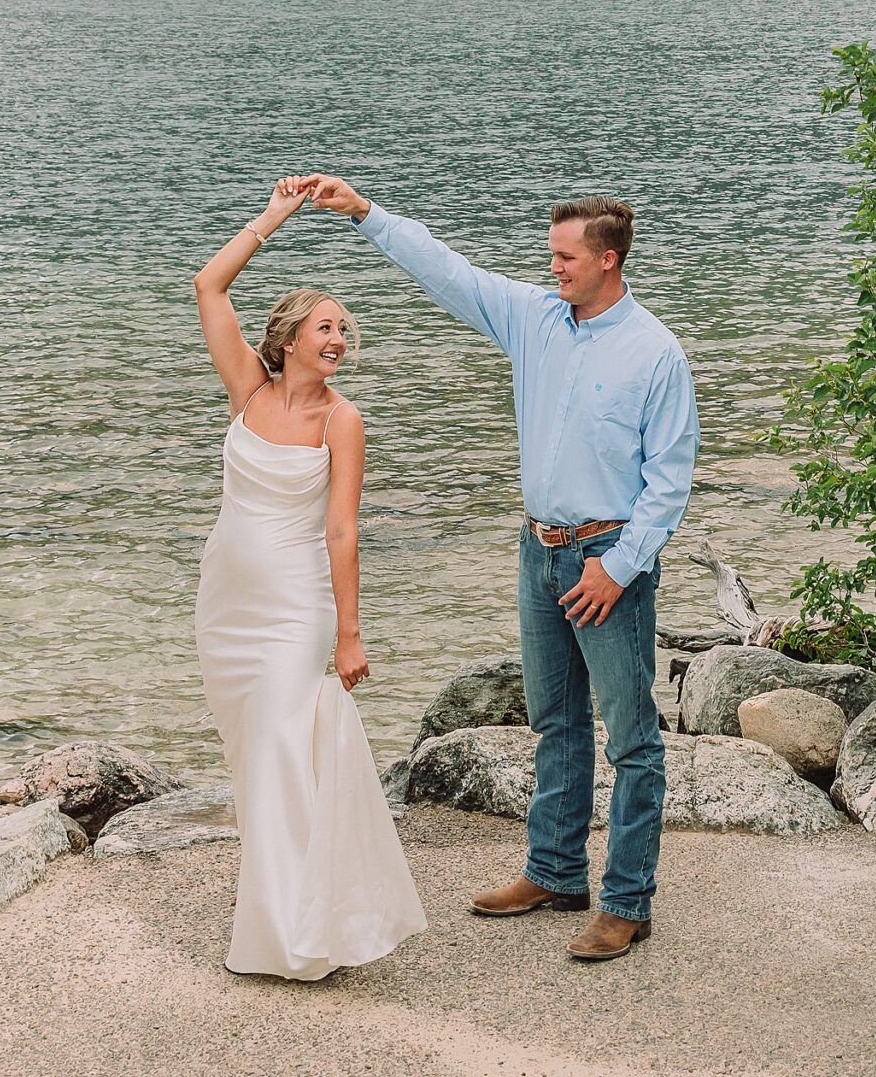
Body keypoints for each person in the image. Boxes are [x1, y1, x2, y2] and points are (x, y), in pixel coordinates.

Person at [289, 173, 699, 965]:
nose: (553, 269)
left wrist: (618, 568)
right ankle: (552, 872)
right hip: (538, 551)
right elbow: (449, 271)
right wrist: (365, 212)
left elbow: (669, 481)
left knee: (632, 739)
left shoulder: (654, 352)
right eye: (551, 256)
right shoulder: (535, 320)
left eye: (565, 257)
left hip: (607, 561)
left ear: (608, 260)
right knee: (553, 721)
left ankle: (625, 903)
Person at [191, 179, 426, 979]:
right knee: (253, 758)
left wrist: (351, 632)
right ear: (288, 336)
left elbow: (341, 529)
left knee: (287, 755)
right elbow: (207, 284)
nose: (339, 340)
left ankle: (298, 935)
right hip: (225, 605)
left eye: (344, 332)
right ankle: (275, 914)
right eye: (326, 327)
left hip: (297, 612)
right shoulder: (246, 392)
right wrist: (274, 217)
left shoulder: (341, 418)